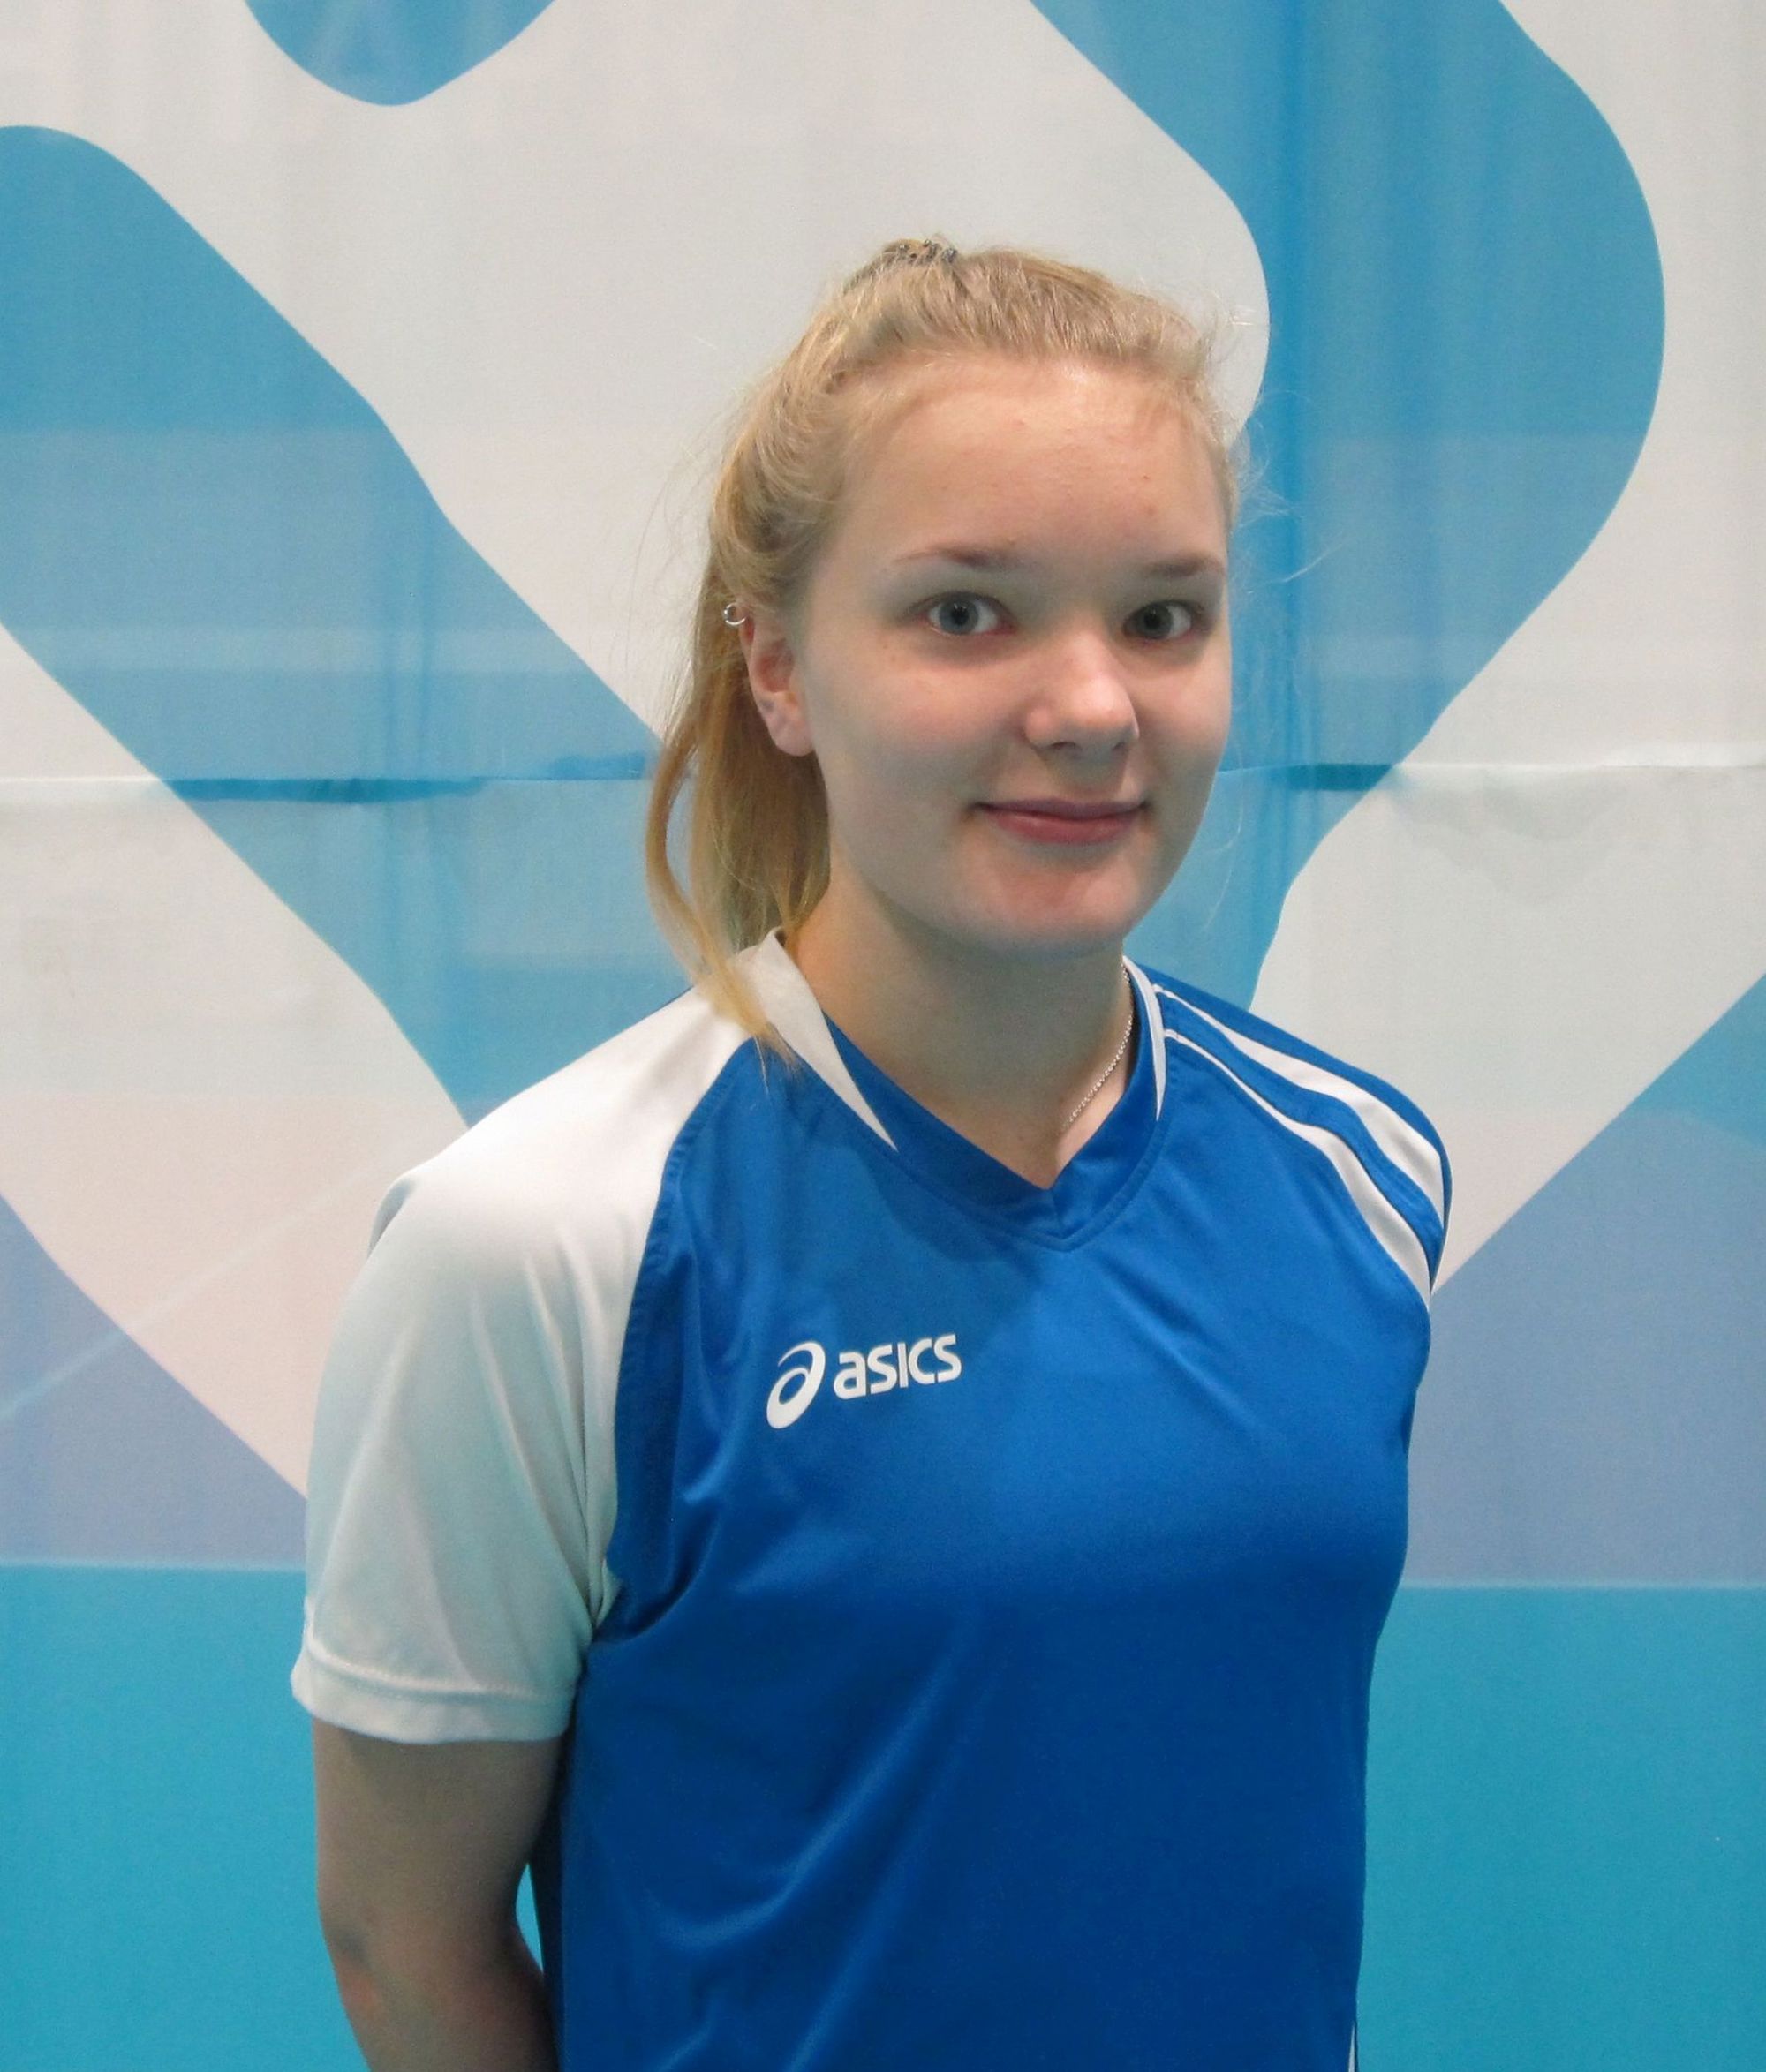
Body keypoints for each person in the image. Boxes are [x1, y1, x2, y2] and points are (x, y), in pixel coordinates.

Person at [292, 235, 1449, 2072]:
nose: (1091, 708)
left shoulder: (1360, 1172)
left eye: (1163, 617)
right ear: (776, 668)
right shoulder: (546, 1244)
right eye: (965, 614)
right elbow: (405, 1946)